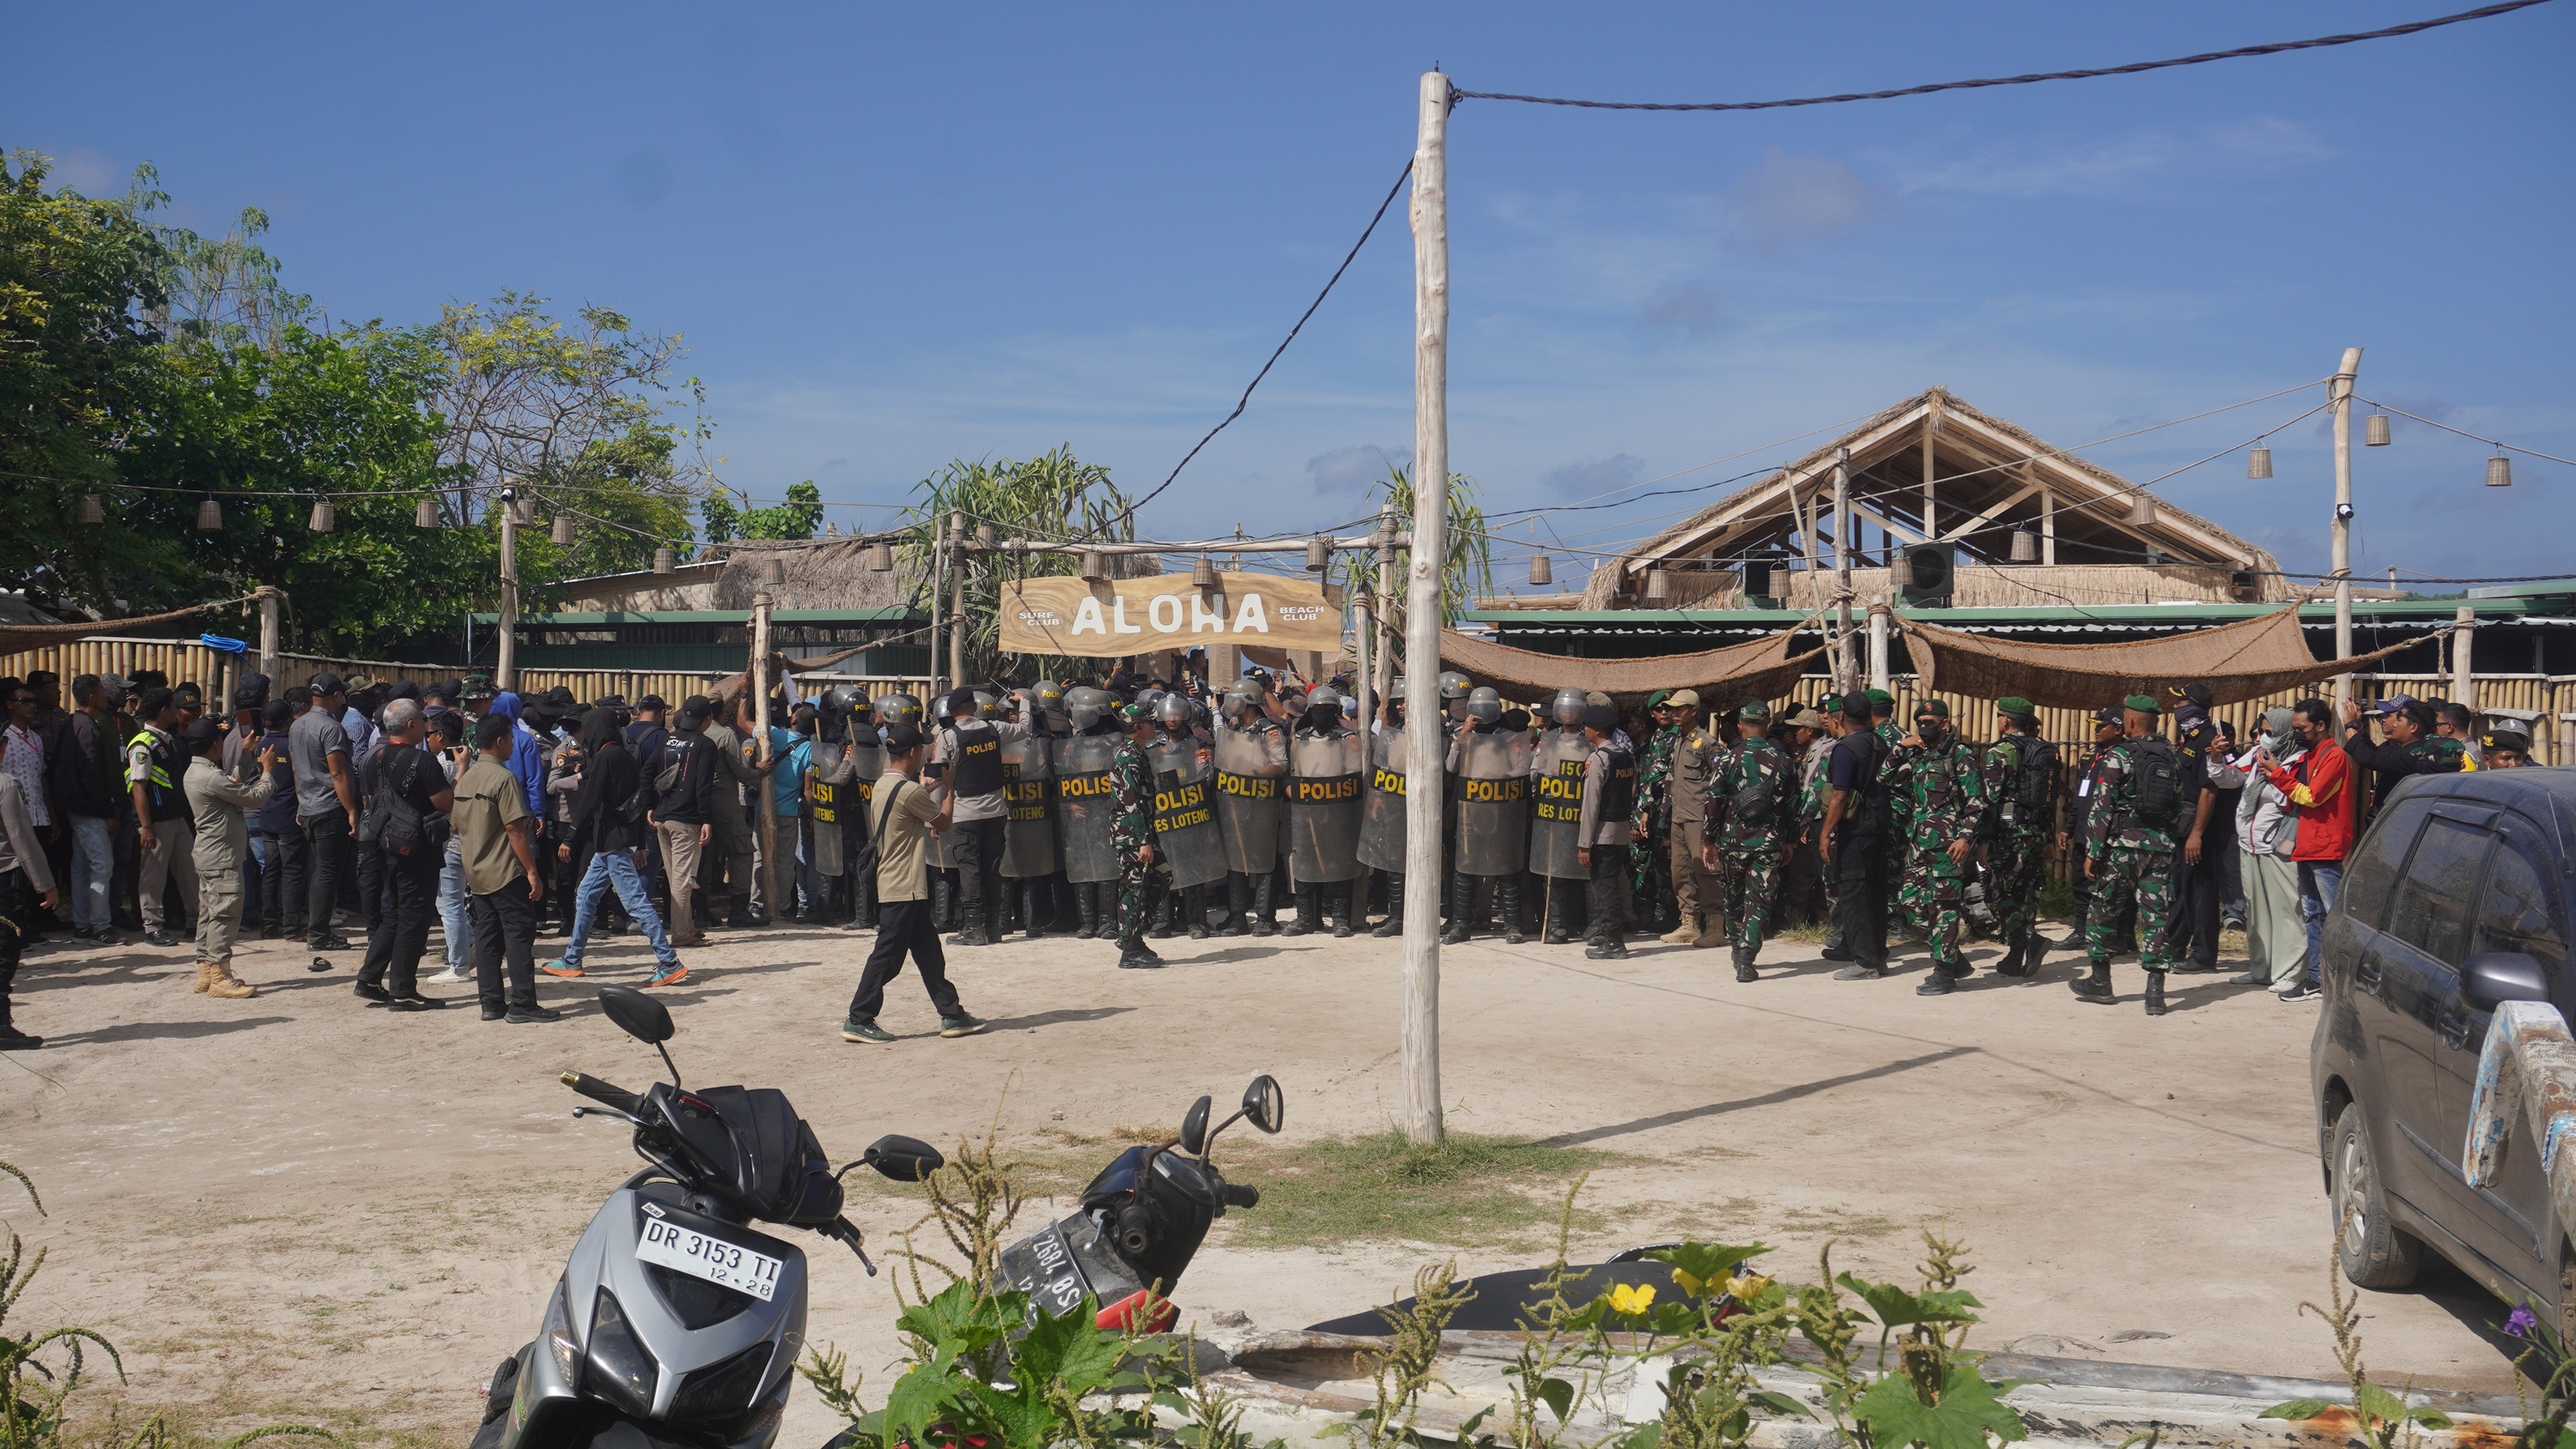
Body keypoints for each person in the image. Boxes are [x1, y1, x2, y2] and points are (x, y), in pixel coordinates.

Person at [841, 722, 985, 1042]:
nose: (922, 753)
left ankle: (953, 1014)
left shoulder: (884, 785)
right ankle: (859, 1017)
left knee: (930, 954)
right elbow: (944, 823)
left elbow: (909, 804)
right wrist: (948, 786)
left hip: (900, 884)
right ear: (911, 752)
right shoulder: (910, 791)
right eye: (920, 749)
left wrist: (929, 788)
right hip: (903, 885)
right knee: (886, 957)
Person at [543, 708, 687, 988]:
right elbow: (637, 802)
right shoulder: (625, 757)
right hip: (614, 843)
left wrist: (570, 838)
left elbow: (590, 803)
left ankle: (669, 961)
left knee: (636, 904)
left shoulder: (604, 758)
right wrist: (641, 843)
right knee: (585, 896)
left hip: (613, 843)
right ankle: (572, 959)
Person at [2074, 696, 2183, 1015]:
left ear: (2130, 722)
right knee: (2156, 916)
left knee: (2103, 909)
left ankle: (2101, 982)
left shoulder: (2118, 755)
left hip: (2121, 845)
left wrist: (2093, 851)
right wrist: (2165, 839)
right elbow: (2177, 808)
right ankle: (2155, 994)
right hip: (2160, 846)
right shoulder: (2171, 758)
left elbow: (2101, 807)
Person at [347, 700, 453, 1009]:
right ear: (411, 725)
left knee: (394, 913)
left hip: (381, 844)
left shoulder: (371, 757)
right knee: (414, 918)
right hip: (415, 848)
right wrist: (458, 775)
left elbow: (370, 799)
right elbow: (445, 803)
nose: (426, 725)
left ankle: (368, 979)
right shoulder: (423, 761)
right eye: (422, 720)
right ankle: (403, 990)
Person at [454, 713, 558, 1022]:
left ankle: (491, 1003)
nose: (513, 745)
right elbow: (515, 830)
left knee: (487, 939)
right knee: (518, 937)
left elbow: (457, 826)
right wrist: (532, 872)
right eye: (511, 740)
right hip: (506, 872)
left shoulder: (466, 779)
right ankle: (523, 1003)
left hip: (476, 872)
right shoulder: (504, 779)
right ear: (499, 741)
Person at [2256, 698, 2354, 1004]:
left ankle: (2340, 980)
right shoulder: (2311, 755)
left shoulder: (2334, 756)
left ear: (2321, 726)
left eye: (2302, 728)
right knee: (2313, 914)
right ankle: (2316, 978)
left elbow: (2311, 796)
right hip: (2308, 844)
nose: (2298, 733)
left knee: (2335, 917)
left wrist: (2275, 773)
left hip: (2325, 846)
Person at [181, 716, 277, 998]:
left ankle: (206, 971)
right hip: (222, 857)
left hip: (210, 854)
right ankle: (220, 975)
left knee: (209, 914)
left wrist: (246, 756)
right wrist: (268, 772)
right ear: (215, 744)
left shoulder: (197, 771)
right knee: (225, 915)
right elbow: (252, 797)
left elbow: (230, 783)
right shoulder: (210, 776)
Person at [1893, 700, 1984, 997]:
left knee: (1944, 907)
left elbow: (1976, 802)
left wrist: (1965, 838)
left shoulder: (1960, 755)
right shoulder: (1919, 756)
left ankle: (1944, 972)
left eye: (1929, 721)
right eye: (1919, 721)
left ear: (1944, 723)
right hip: (1919, 846)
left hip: (1948, 847)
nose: (1923, 726)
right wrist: (1900, 746)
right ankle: (1953, 958)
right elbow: (1885, 778)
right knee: (1910, 904)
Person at [1701, 700, 1790, 982]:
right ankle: (1747, 956)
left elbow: (1713, 802)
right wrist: (1787, 841)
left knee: (1733, 897)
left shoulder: (1727, 760)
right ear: (1767, 727)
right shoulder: (1784, 760)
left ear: (1740, 727)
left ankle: (1738, 947)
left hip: (1732, 843)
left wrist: (1708, 840)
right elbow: (1792, 805)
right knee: (1761, 900)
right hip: (1768, 843)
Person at [1975, 697, 2057, 979]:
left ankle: (2030, 938)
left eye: (1999, 716)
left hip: (2009, 835)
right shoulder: (2042, 749)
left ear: (2006, 720)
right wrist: (2048, 839)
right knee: (2025, 893)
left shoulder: (2002, 751)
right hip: (2036, 833)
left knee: (1995, 892)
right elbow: (2048, 799)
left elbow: (1990, 800)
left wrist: (1983, 840)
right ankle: (2015, 957)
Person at [2233, 707, 2306, 988]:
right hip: (2249, 844)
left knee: (2287, 911)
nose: (2263, 738)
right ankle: (2261, 970)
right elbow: (2229, 779)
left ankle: (2290, 973)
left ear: (2286, 733)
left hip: (2278, 847)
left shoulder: (2298, 761)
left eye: (2270, 733)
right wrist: (2215, 757)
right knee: (2257, 912)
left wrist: (2274, 773)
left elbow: (2292, 802)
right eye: (2261, 732)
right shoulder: (2255, 757)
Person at [292, 671, 361, 962]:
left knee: (320, 870)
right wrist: (352, 810)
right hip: (330, 807)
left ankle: (317, 931)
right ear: (335, 696)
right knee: (328, 872)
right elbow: (337, 772)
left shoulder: (298, 724)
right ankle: (319, 934)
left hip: (308, 806)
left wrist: (300, 804)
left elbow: (297, 769)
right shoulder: (331, 727)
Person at [125, 687, 199, 949]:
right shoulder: (142, 744)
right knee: (153, 874)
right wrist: (145, 826)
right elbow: (138, 787)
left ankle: (196, 919)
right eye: (172, 706)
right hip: (156, 821)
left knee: (191, 869)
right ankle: (153, 926)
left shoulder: (165, 739)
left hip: (176, 817)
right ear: (164, 711)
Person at [0, 719, 58, 1048]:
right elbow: (21, 839)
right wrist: (45, 884)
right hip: (5, 881)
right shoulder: (6, 785)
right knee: (4, 952)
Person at [54, 675, 124, 943]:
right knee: (101, 866)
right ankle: (100, 927)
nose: (106, 697)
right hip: (90, 808)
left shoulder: (74, 722)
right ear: (92, 697)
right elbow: (91, 773)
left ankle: (82, 925)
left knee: (82, 867)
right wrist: (107, 812)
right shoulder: (86, 726)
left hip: (76, 806)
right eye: (102, 693)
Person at [1656, 690, 1726, 949]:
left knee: (1706, 871)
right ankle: (1689, 924)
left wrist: (1714, 821)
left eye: (1679, 708)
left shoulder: (1708, 743)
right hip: (1679, 815)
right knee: (1681, 871)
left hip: (1699, 817)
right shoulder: (1678, 740)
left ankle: (1715, 927)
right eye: (1671, 709)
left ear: (1693, 711)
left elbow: (1720, 782)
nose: (1672, 713)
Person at [2057, 707, 2129, 961]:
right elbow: (2081, 795)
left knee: (2114, 889)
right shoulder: (2092, 757)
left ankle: (2121, 938)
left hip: (2111, 835)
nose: (2097, 730)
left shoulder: (2126, 757)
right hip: (2083, 832)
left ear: (2119, 729)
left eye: (2103, 725)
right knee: (2080, 883)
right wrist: (2068, 827)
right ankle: (2080, 932)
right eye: (2096, 725)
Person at [2160, 694, 2226, 974]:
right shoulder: (2190, 737)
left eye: (2181, 702)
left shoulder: (2208, 739)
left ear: (2196, 706)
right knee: (2179, 888)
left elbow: (2209, 790)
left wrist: (2197, 834)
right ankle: (2174, 947)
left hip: (2199, 831)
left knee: (2201, 891)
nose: (2175, 707)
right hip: (2181, 827)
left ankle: (2203, 955)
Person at [649, 698, 720, 947]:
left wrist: (651, 805)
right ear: (708, 719)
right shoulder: (705, 744)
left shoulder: (666, 739)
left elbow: (648, 772)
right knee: (684, 880)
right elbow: (703, 785)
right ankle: (680, 933)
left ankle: (687, 925)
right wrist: (706, 819)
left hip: (662, 818)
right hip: (687, 820)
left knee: (675, 878)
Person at [1107, 702, 1171, 967]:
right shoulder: (1128, 756)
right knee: (1134, 889)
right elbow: (1130, 801)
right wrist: (1143, 841)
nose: (1154, 726)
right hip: (1133, 834)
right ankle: (1130, 951)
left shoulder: (1136, 751)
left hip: (1141, 831)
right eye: (1150, 722)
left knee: (1163, 875)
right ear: (1137, 727)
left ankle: (1131, 936)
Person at [1573, 704, 1637, 960]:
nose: (1584, 730)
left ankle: (1614, 942)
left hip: (1603, 834)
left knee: (1605, 887)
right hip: (1621, 830)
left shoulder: (1598, 759)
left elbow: (1591, 804)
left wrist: (1584, 844)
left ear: (1597, 730)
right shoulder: (1624, 755)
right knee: (1612, 883)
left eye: (1586, 726)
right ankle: (1615, 939)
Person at [700, 695, 769, 930]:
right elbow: (742, 772)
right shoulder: (724, 735)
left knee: (703, 857)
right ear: (719, 712)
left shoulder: (684, 734)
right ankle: (739, 910)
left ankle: (700, 909)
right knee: (742, 852)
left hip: (696, 805)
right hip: (724, 804)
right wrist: (760, 771)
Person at [425, 710, 477, 983]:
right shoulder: (475, 761)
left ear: (440, 736)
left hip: (450, 843)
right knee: (456, 903)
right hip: (476, 842)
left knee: (449, 905)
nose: (427, 740)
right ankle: (472, 945)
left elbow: (445, 804)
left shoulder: (441, 765)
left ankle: (458, 966)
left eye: (429, 734)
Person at [247, 699, 301, 940]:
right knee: (291, 872)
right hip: (290, 815)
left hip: (267, 815)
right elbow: (297, 777)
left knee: (271, 871)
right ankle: (292, 927)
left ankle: (268, 926)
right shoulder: (292, 745)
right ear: (289, 719)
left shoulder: (261, 745)